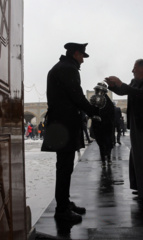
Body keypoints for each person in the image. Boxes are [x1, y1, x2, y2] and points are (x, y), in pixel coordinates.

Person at [41, 42, 99, 223]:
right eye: (82, 56)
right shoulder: (68, 69)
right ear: (75, 54)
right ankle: (62, 210)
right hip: (63, 125)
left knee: (64, 166)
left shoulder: (62, 67)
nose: (83, 60)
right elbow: (77, 95)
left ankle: (64, 203)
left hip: (61, 123)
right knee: (64, 167)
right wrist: (93, 111)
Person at [105, 59, 143, 207]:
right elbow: (126, 91)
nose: (132, 71)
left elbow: (141, 94)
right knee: (139, 158)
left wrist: (121, 84)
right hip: (138, 126)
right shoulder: (134, 82)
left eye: (134, 68)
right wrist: (113, 87)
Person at [90, 82, 115, 167]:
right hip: (98, 126)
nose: (98, 92)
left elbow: (112, 114)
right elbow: (92, 112)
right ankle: (103, 160)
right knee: (101, 143)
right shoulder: (93, 100)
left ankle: (108, 158)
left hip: (107, 126)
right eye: (97, 90)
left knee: (108, 142)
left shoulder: (109, 103)